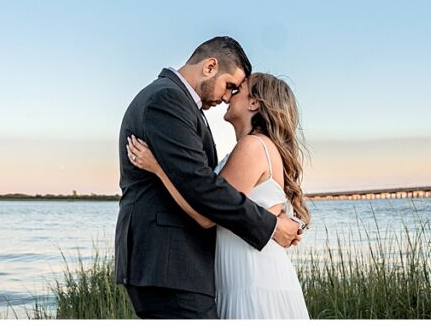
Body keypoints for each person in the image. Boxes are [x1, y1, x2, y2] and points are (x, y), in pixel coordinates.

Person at [114, 37, 303, 319]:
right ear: (210, 66)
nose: (228, 96)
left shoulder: (245, 142)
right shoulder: (167, 99)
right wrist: (271, 225)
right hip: (169, 265)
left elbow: (205, 191)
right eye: (229, 86)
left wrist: (159, 168)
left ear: (255, 104)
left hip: (191, 269)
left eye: (236, 91)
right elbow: (203, 191)